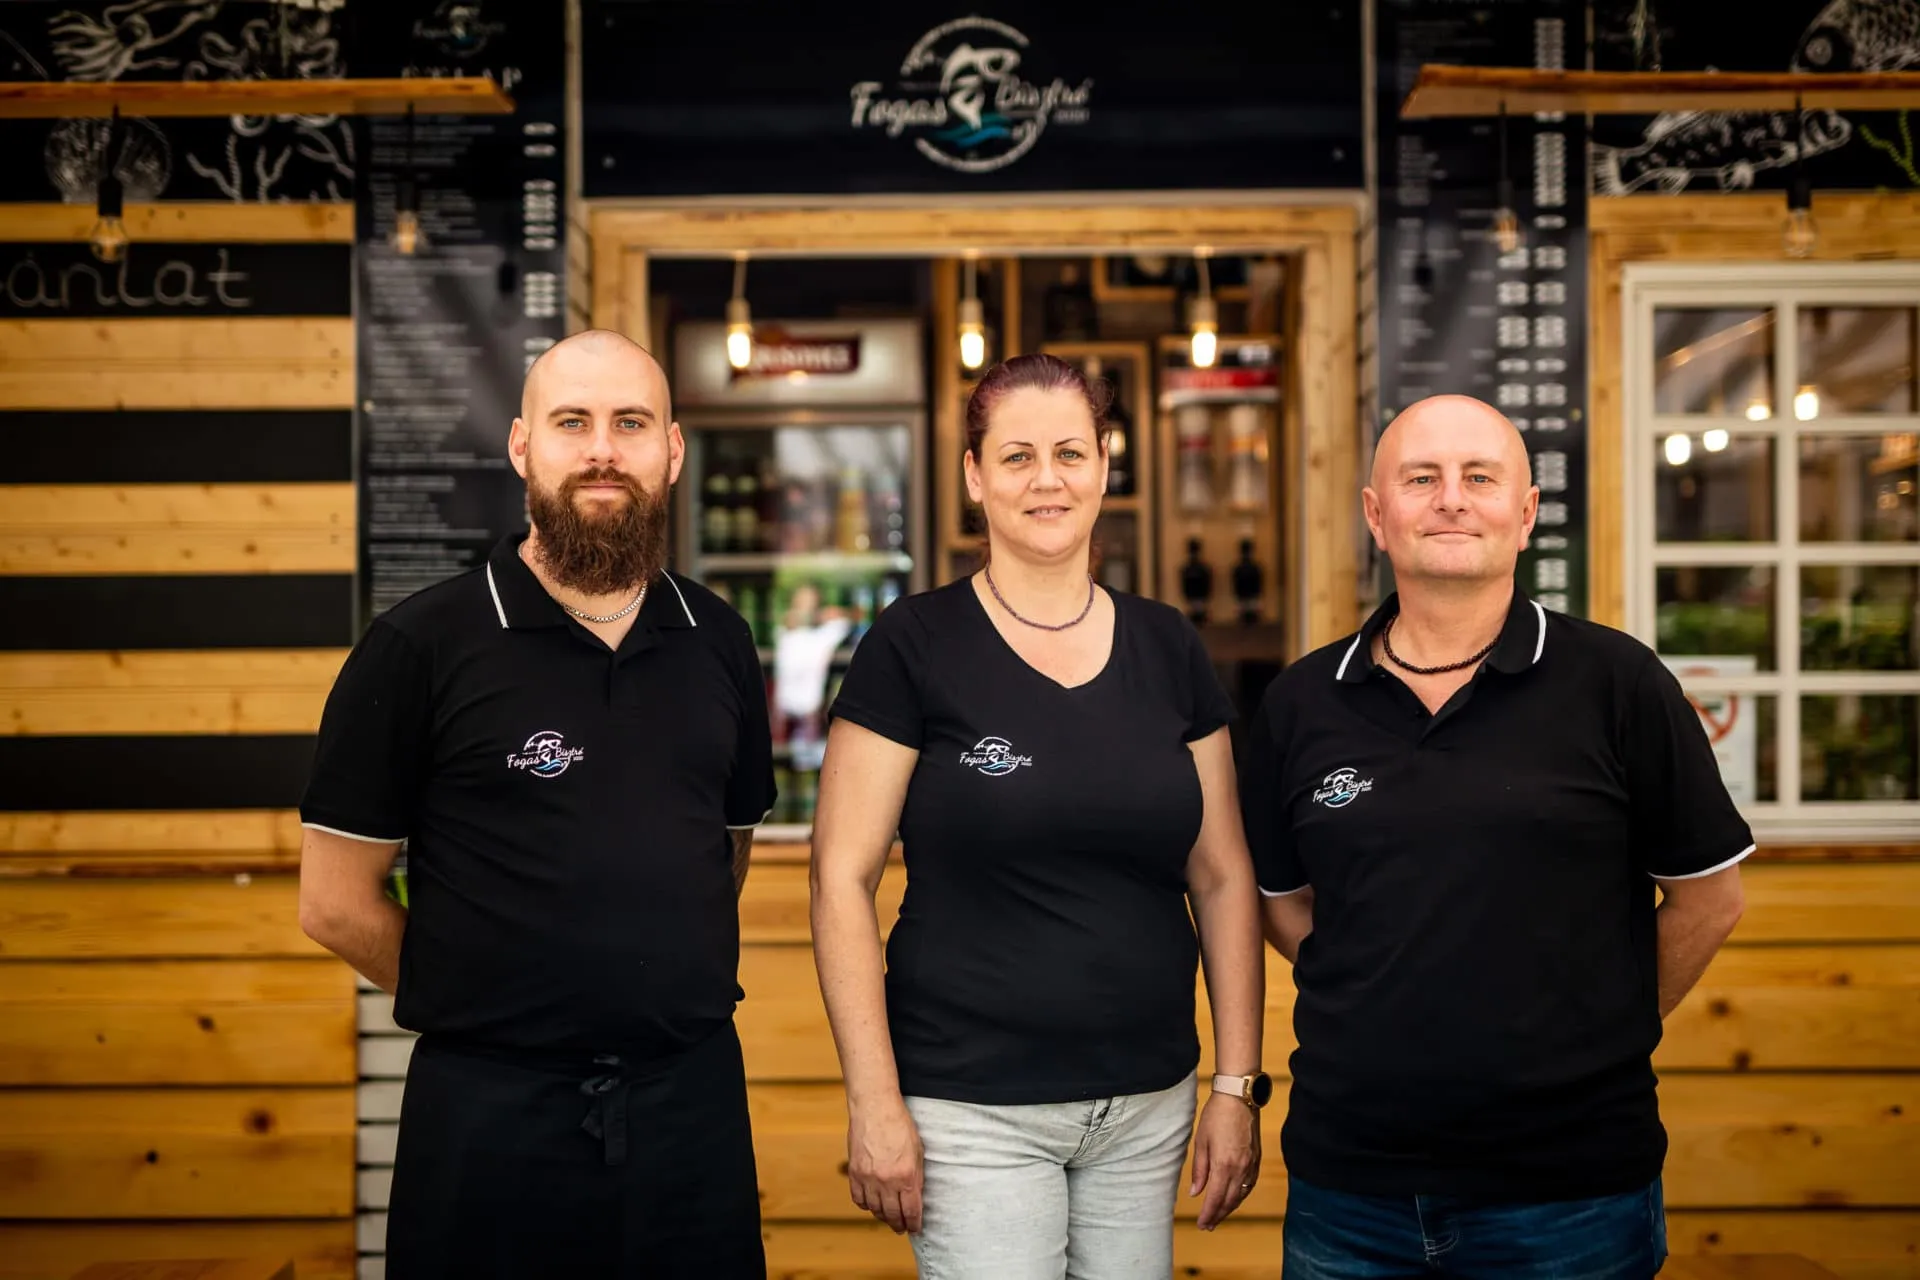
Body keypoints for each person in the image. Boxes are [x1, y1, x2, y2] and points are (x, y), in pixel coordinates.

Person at [297, 329, 775, 1279]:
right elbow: (334, 903)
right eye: (572, 423)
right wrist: (492, 1003)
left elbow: (724, 852)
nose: (602, 450)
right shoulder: (420, 645)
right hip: (487, 1123)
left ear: (672, 450)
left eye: (630, 423)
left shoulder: (718, 638)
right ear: (522, 446)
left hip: (691, 1114)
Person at [1241, 394, 1751, 1278]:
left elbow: (1710, 898)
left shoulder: (1618, 682)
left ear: (1525, 514)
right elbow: (1280, 901)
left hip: (1571, 1193)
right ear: (1376, 515)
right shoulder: (1301, 702)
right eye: (1421, 479)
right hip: (1351, 1188)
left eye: (1479, 478)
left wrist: (1599, 1027)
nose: (1451, 498)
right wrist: (1384, 991)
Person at [810, 353, 1269, 1280]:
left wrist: (1235, 1085)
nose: (1047, 479)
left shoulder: (1168, 646)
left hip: (1148, 1105)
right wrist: (874, 1099)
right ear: (975, 476)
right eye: (1017, 457)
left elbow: (1223, 876)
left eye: (1070, 452)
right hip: (972, 1107)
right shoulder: (914, 645)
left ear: (1104, 466)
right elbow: (840, 878)